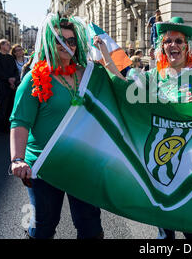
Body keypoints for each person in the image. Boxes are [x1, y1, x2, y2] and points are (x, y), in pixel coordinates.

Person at [9, 14, 123, 239]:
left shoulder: (90, 74)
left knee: (90, 226)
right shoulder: (34, 78)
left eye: (71, 41)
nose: (67, 45)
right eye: (61, 39)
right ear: (50, 42)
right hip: (45, 163)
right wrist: (17, 159)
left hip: (83, 162)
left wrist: (107, 55)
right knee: (44, 224)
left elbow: (122, 85)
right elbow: (20, 121)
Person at [150, 16, 192, 238]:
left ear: (187, 47)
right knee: (164, 233)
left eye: (178, 41)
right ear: (162, 47)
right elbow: (126, 93)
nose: (173, 46)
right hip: (160, 162)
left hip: (191, 164)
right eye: (168, 41)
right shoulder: (154, 77)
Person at [0, 39, 20, 135]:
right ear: (2, 46)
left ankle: (8, 128)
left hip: (12, 86)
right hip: (2, 86)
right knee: (2, 108)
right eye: (7, 44)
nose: (9, 46)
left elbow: (16, 71)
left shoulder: (11, 57)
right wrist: (8, 79)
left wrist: (14, 79)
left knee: (10, 108)